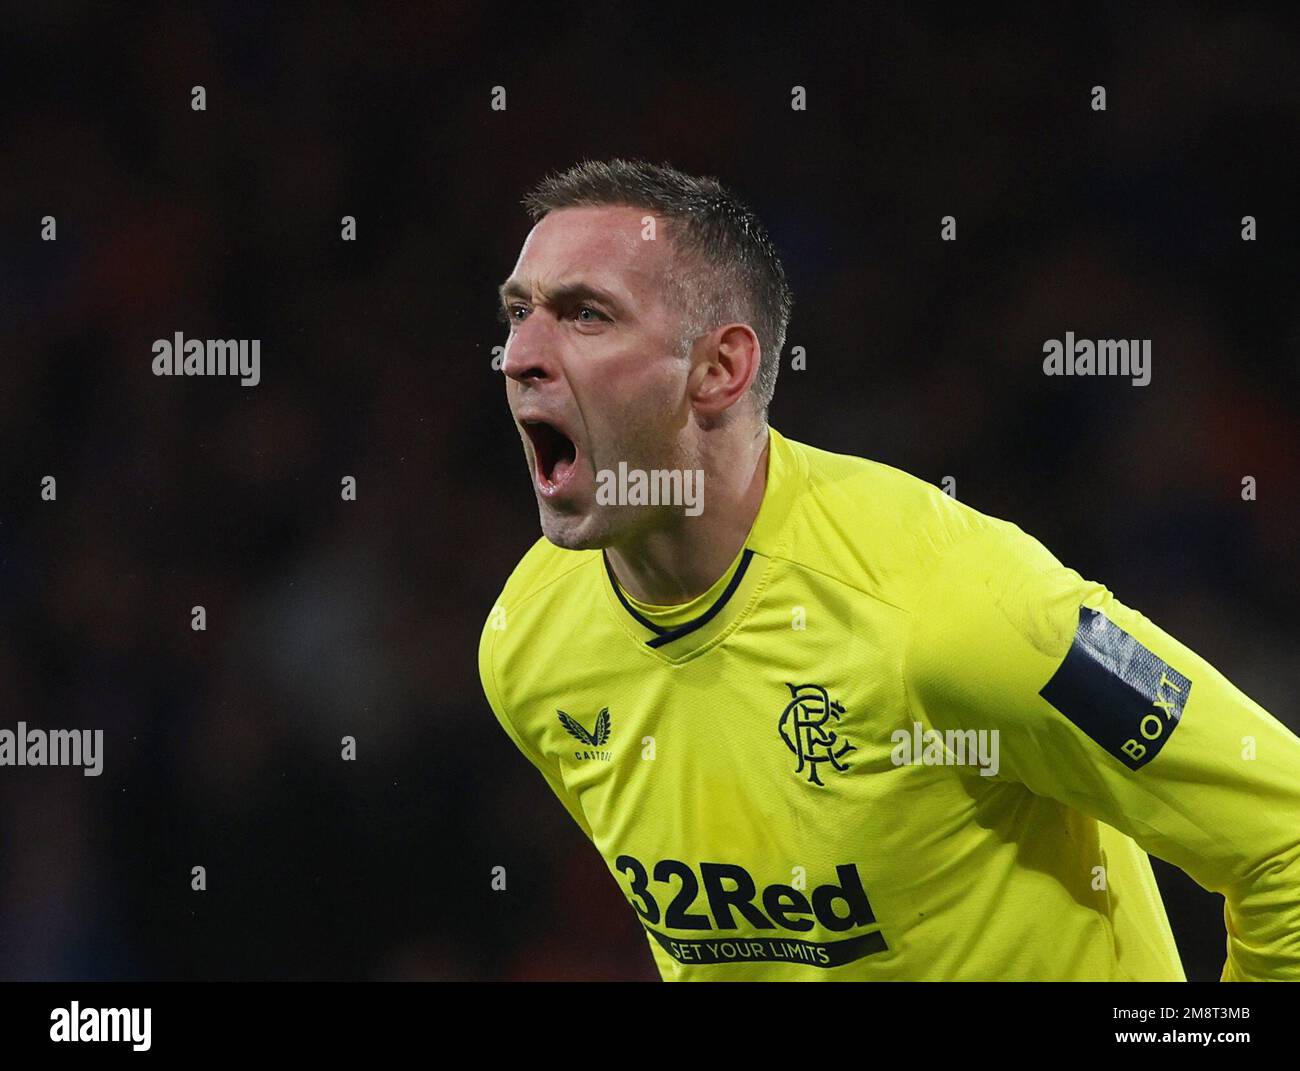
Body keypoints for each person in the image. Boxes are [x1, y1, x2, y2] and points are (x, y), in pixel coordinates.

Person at [479, 158, 1300, 980]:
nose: (520, 356)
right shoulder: (530, 647)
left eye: (585, 315)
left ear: (719, 369)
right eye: (518, 313)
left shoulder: (962, 604)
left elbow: (1285, 840)